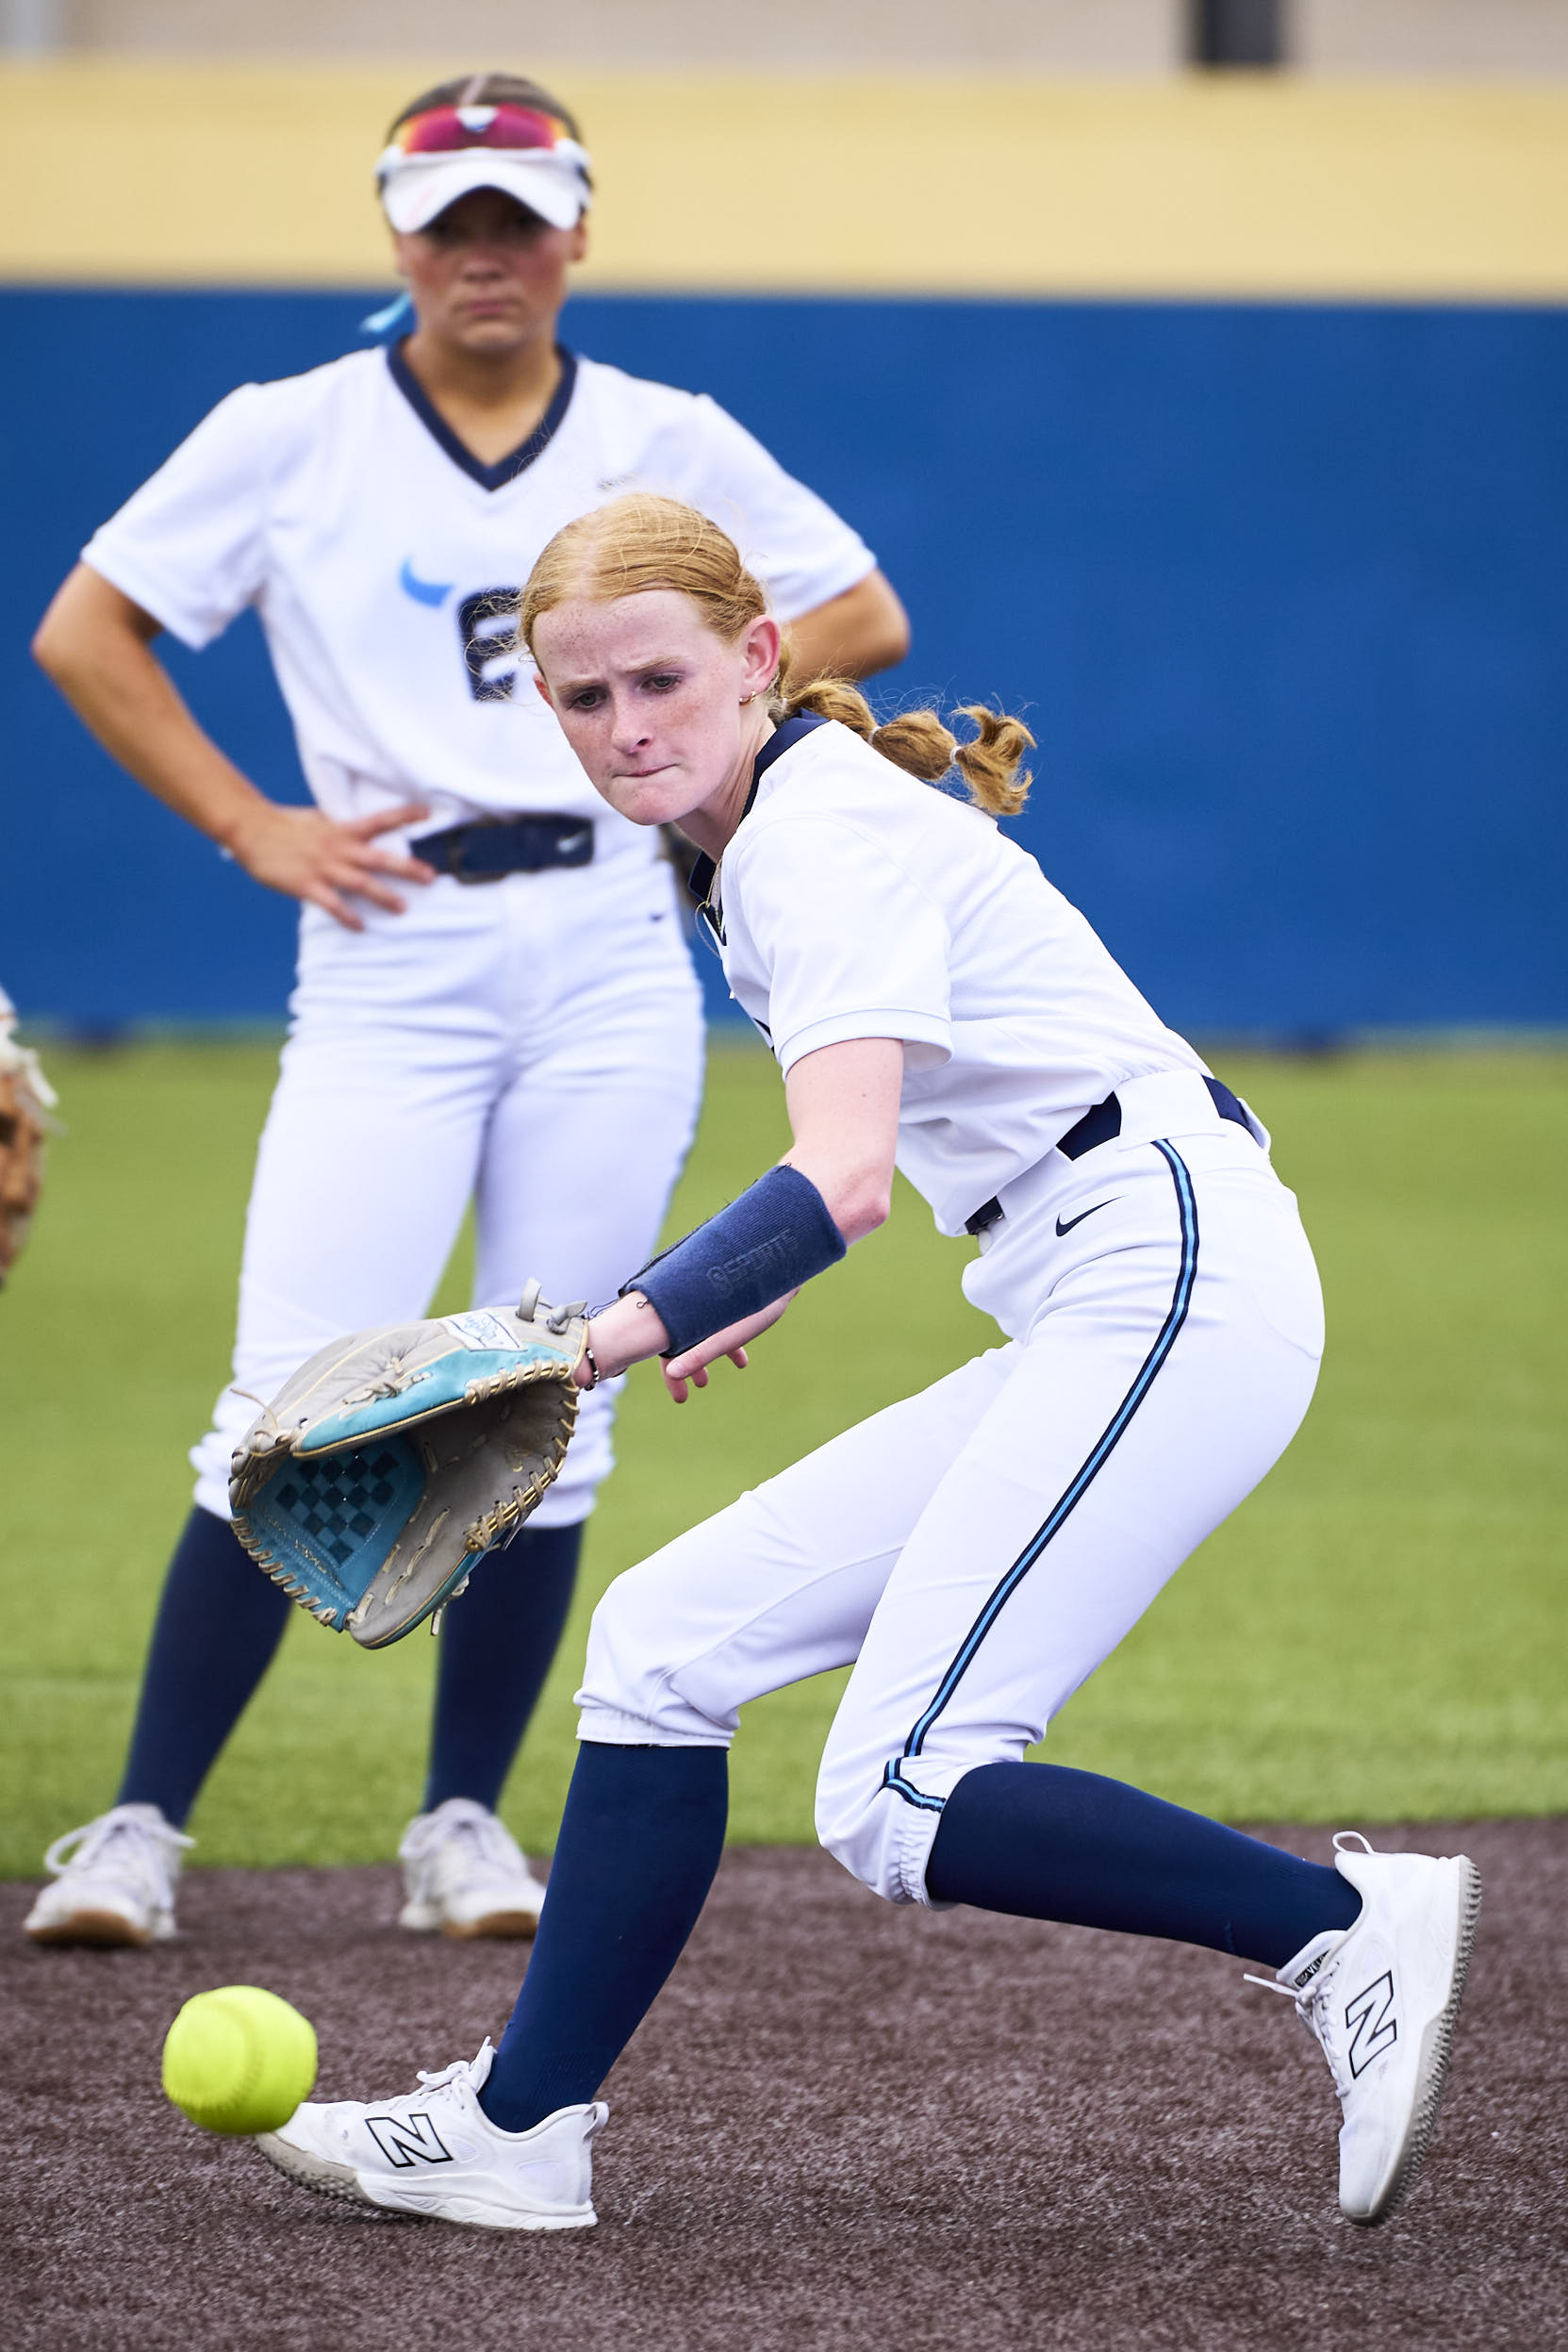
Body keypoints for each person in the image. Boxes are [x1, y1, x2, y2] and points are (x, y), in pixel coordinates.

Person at [254, 495, 1478, 2233]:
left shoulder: (811, 836)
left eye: (662, 680)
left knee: (906, 1787)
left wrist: (604, 1338)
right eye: (585, 697)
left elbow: (839, 1181)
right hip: (1095, 1267)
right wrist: (723, 1293)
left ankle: (1345, 1930)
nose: (627, 726)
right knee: (662, 1646)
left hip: (1169, 1270)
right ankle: (521, 2129)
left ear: (759, 657)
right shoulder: (764, 831)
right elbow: (880, 1147)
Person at [25, 82, 909, 1951]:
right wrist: (252, 823)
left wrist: (666, 748)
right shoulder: (291, 430)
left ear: (576, 229)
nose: (485, 252)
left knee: (549, 1388)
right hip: (390, 944)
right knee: (282, 1399)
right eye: (451, 220)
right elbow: (87, 629)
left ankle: (461, 1826)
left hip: (604, 942)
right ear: (396, 235)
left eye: (518, 217)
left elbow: (856, 613)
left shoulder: (664, 434)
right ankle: (138, 1828)